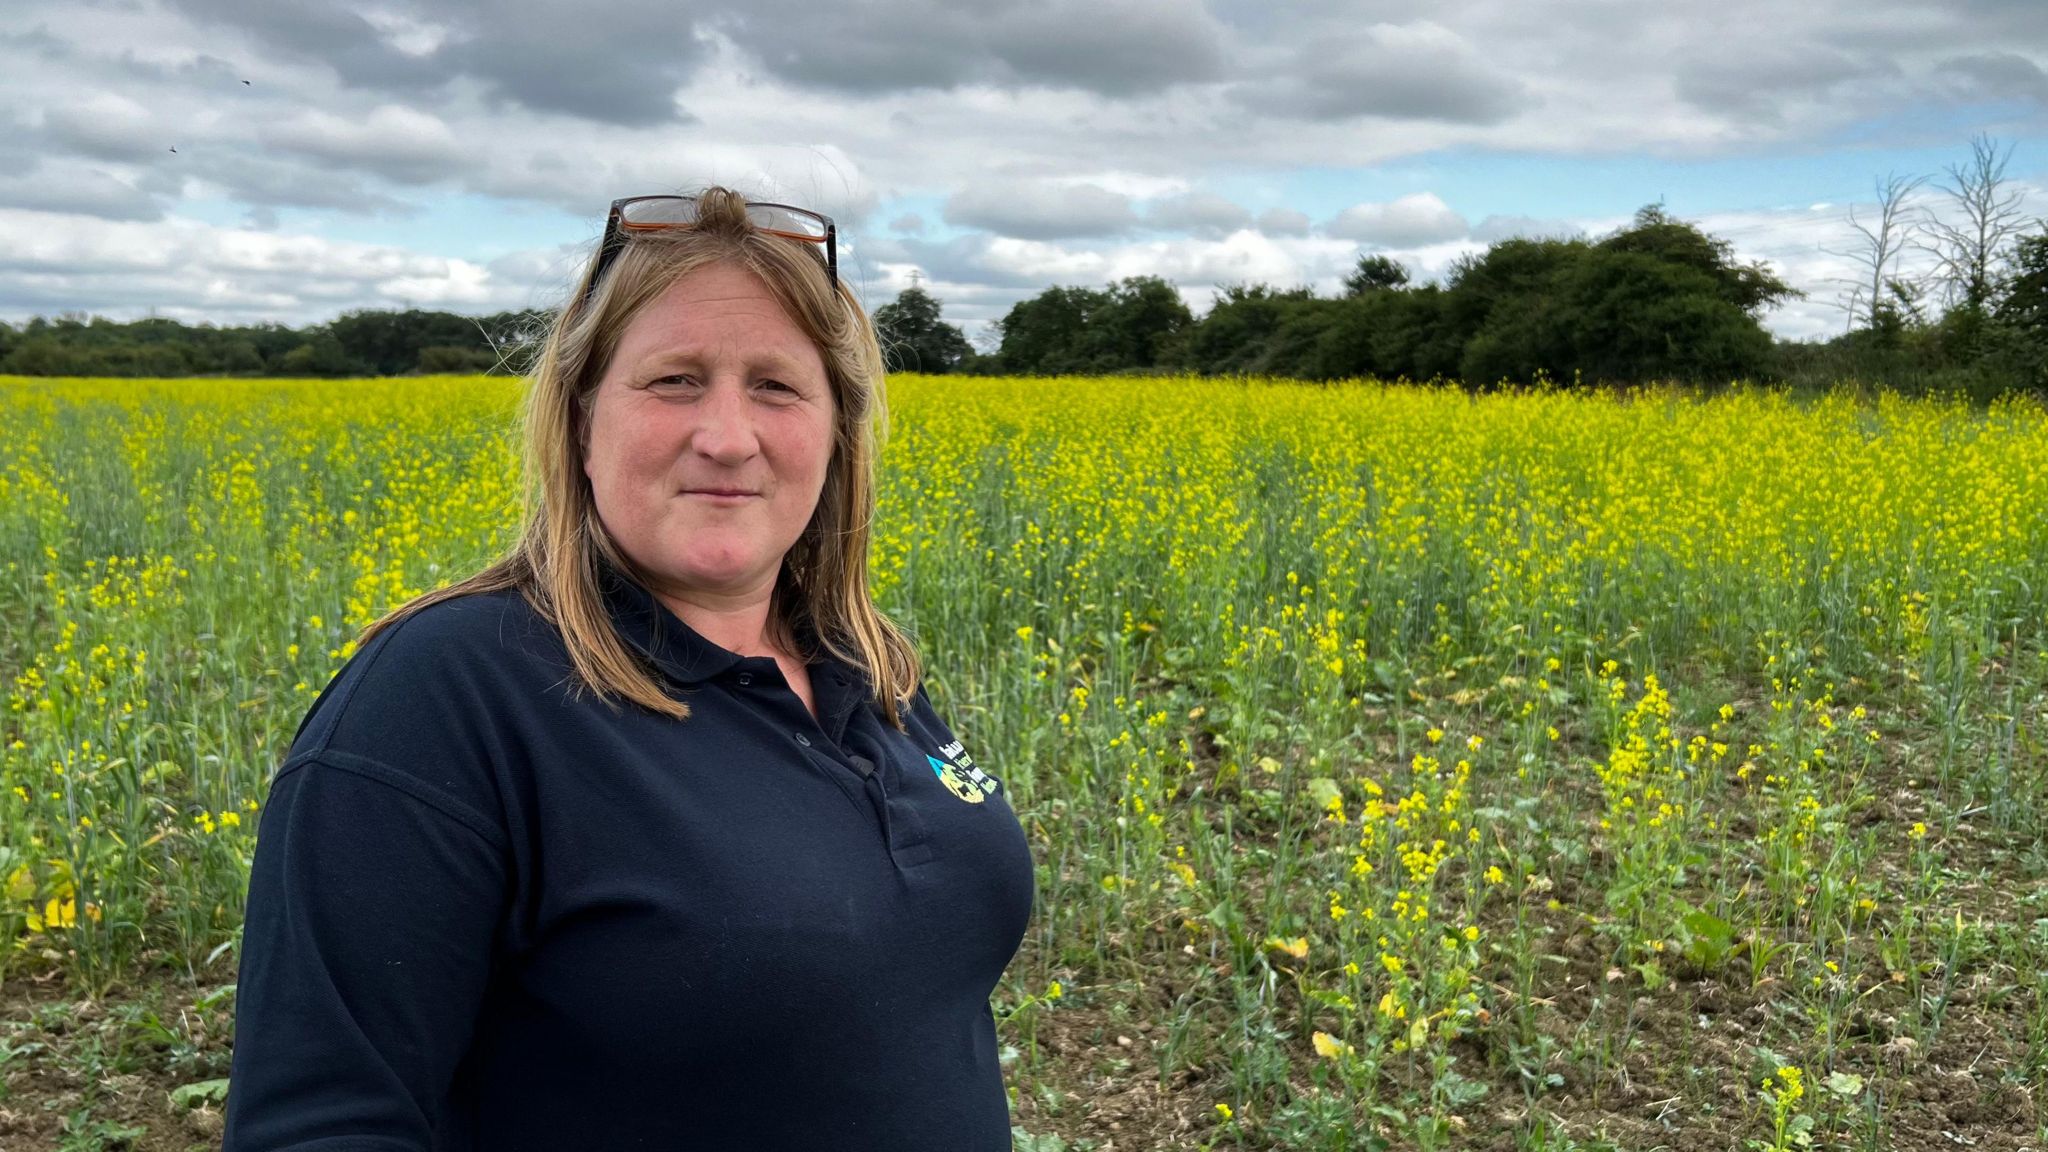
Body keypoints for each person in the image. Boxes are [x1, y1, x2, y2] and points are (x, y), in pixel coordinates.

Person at [220, 187, 1037, 1151]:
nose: (729, 436)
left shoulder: (868, 663)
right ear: (579, 418)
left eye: (777, 385)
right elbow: (323, 1123)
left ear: (837, 432)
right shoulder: (445, 698)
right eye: (675, 380)